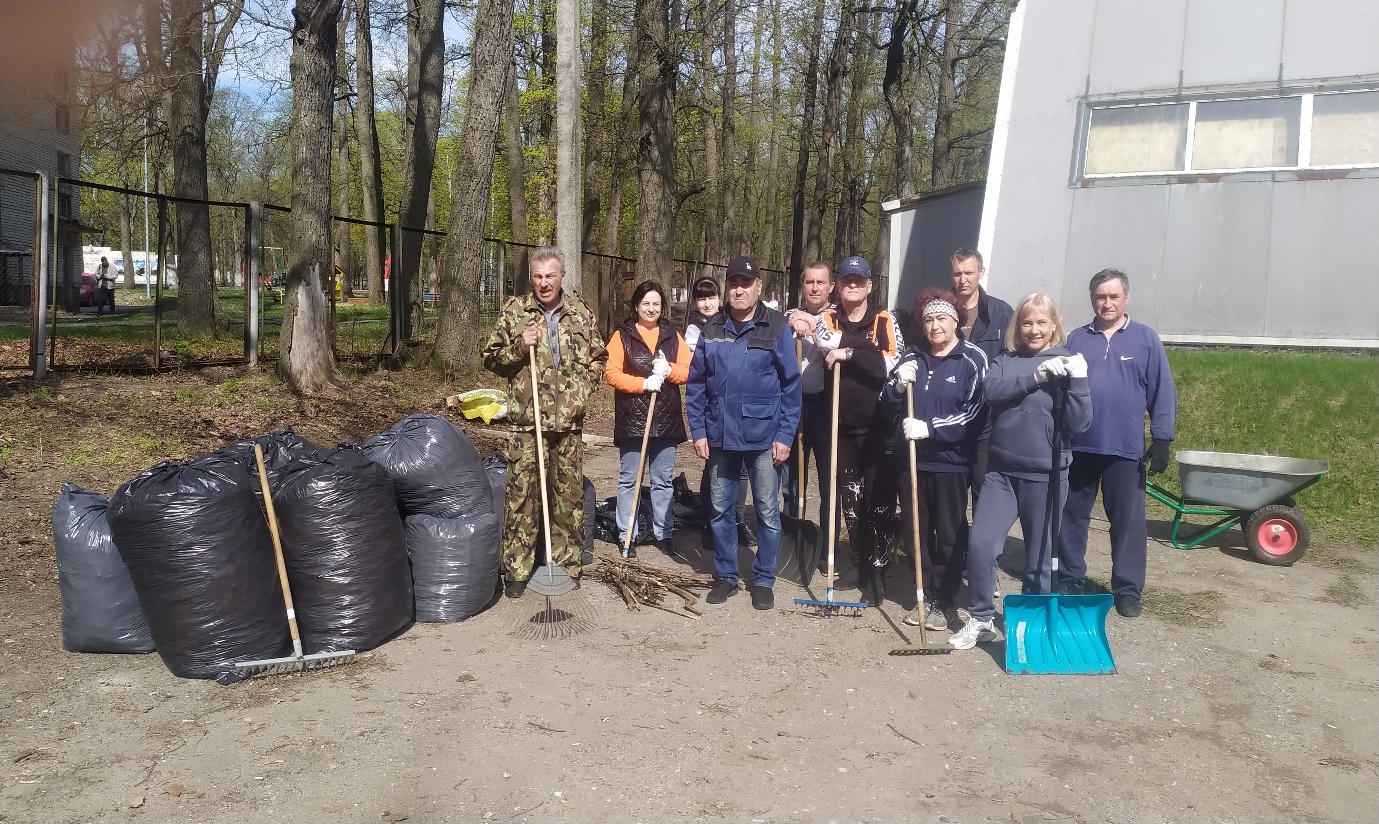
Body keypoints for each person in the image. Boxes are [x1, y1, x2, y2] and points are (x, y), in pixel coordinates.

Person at [949, 293, 1092, 650]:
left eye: (1041, 322)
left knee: (1040, 558)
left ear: (1054, 325)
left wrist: (1080, 382)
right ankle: (981, 618)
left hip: (1047, 476)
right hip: (1002, 473)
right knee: (981, 545)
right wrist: (1035, 375)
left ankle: (1032, 623)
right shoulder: (1005, 361)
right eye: (1027, 322)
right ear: (1018, 326)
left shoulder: (1067, 362)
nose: (1034, 329)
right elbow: (992, 390)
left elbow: (1080, 423)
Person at [482, 246, 607, 598]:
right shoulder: (515, 311)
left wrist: (581, 391)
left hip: (568, 425)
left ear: (562, 277)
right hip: (527, 423)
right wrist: (520, 347)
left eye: (550, 275)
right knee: (522, 498)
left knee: (567, 497)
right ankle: (518, 571)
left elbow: (599, 357)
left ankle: (566, 565)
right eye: (537, 276)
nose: (543, 282)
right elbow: (490, 359)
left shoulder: (581, 313)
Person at [1056, 269, 1177, 618]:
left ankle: (1127, 589)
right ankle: (1070, 580)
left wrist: (1162, 438)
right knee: (1071, 518)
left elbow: (1161, 389)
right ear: (1092, 299)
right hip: (1079, 447)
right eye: (1100, 296)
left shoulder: (1145, 339)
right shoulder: (1077, 339)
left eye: (1113, 296)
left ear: (1126, 299)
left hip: (1125, 450)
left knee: (1127, 522)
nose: (1106, 303)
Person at [686, 255, 801, 611]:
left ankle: (763, 579)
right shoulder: (712, 329)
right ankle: (726, 576)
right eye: (733, 283)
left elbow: (791, 387)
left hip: (764, 439)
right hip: (720, 437)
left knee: (767, 512)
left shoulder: (776, 327)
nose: (739, 289)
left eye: (745, 284)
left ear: (758, 288)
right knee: (720, 510)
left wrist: (785, 436)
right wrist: (699, 431)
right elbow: (696, 386)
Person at [884, 288, 988, 630]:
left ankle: (944, 599)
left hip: (950, 462)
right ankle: (923, 594)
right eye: (928, 319)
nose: (934, 326)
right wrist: (898, 387)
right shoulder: (911, 358)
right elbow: (884, 405)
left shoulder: (972, 360)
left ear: (956, 322)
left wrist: (931, 428)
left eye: (941, 318)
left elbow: (974, 414)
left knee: (949, 534)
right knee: (916, 532)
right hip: (911, 462)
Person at [814, 255, 903, 604]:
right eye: (847, 280)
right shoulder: (829, 317)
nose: (853, 285)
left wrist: (850, 352)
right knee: (851, 502)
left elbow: (889, 364)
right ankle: (858, 565)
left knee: (879, 501)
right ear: (839, 285)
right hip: (842, 427)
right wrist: (865, 349)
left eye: (859, 281)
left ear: (869, 286)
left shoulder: (884, 320)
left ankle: (879, 570)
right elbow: (824, 342)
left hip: (877, 426)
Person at [605, 280, 691, 559]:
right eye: (646, 304)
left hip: (665, 418)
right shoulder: (623, 335)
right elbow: (611, 373)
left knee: (663, 479)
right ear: (636, 306)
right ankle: (625, 532)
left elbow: (690, 371)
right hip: (634, 418)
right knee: (630, 478)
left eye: (656, 304)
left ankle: (663, 533)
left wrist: (669, 371)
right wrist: (643, 384)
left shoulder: (671, 335)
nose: (651, 309)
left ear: (662, 306)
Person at [685, 276, 755, 550]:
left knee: (742, 470)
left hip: (740, 407)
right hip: (712, 405)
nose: (706, 303)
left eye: (711, 297)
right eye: (701, 298)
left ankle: (736, 520)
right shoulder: (695, 330)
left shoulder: (733, 321)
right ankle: (710, 521)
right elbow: (699, 370)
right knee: (714, 467)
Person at [947, 248, 1013, 499]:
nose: (963, 280)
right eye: (957, 273)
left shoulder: (1001, 313)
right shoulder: (939, 310)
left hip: (986, 422)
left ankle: (980, 540)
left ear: (981, 273)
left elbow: (1012, 361)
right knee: (951, 500)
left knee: (983, 493)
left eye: (969, 273)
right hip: (948, 420)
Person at [781, 262, 835, 531]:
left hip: (825, 407)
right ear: (803, 285)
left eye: (820, 282)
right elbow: (783, 323)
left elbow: (835, 338)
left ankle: (827, 544)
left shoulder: (838, 317)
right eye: (809, 282)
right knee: (791, 477)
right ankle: (793, 532)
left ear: (830, 287)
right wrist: (794, 320)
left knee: (828, 478)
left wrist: (813, 326)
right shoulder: (790, 315)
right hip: (793, 405)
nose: (815, 287)